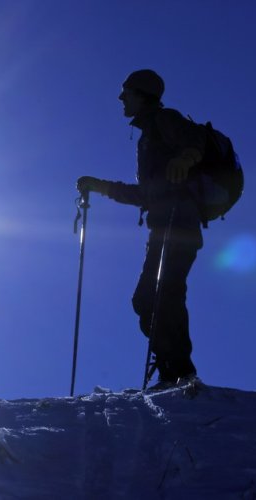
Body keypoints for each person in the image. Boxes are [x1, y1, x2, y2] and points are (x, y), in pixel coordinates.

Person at [77, 69, 206, 387]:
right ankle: (173, 370)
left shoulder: (166, 121)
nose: (121, 98)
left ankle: (178, 374)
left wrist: (187, 158)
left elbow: (196, 140)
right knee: (149, 298)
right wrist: (100, 186)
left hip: (180, 223)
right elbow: (146, 195)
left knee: (164, 294)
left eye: (127, 92)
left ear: (143, 94)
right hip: (163, 227)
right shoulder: (149, 138)